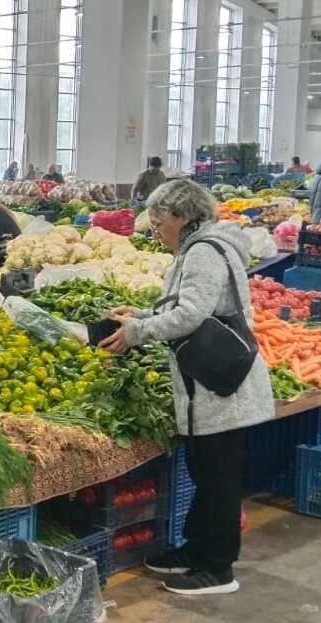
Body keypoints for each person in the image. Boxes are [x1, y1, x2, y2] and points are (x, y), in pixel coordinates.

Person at [99, 179, 272, 596]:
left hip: (222, 390)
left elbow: (191, 316)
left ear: (182, 216)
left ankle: (217, 569)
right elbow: (184, 307)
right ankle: (195, 552)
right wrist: (139, 313)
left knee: (219, 479)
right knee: (206, 473)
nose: (156, 232)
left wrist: (137, 331)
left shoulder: (203, 253)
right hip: (207, 389)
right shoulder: (195, 249)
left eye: (160, 224)